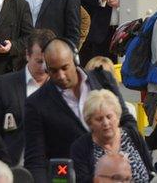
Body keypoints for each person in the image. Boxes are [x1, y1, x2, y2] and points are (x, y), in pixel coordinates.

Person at [23, 38, 137, 183]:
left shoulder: (103, 80)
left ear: (76, 60)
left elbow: (127, 122)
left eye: (65, 67)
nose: (61, 76)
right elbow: (35, 161)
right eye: (53, 70)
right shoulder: (36, 103)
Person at [0, 28, 54, 165]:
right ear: (27, 55)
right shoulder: (5, 85)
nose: (44, 68)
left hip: (51, 169)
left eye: (48, 62)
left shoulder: (61, 87)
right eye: (39, 61)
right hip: (12, 168)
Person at [69, 90, 152, 182]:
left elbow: (151, 172)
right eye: (99, 119)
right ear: (89, 122)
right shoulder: (80, 147)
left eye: (109, 117)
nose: (105, 123)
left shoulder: (133, 135)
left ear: (117, 117)